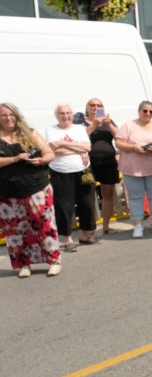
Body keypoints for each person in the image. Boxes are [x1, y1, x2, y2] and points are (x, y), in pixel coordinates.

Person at [0, 103, 61, 277]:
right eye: (3, 115)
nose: (8, 118)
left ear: (17, 116)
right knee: (15, 230)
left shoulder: (30, 133)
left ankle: (54, 260)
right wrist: (15, 158)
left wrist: (41, 161)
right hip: (7, 192)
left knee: (44, 225)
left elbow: (50, 153)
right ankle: (24, 265)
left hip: (37, 188)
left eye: (11, 114)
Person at [45, 104, 97, 252]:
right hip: (61, 172)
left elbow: (87, 147)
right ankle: (67, 238)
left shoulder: (79, 128)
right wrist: (77, 148)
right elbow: (53, 150)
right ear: (57, 115)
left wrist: (62, 144)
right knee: (64, 206)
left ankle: (85, 234)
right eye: (62, 113)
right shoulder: (51, 130)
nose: (65, 116)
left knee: (87, 203)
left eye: (68, 113)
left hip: (82, 171)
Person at [115, 101, 152, 238]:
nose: (148, 114)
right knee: (135, 197)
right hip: (132, 168)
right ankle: (138, 225)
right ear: (139, 111)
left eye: (151, 112)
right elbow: (118, 142)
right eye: (145, 111)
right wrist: (133, 148)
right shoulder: (129, 125)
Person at [77, 98, 120, 236]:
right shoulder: (80, 122)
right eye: (92, 105)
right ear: (87, 108)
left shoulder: (107, 121)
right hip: (89, 163)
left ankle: (106, 226)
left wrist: (108, 125)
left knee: (108, 194)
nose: (95, 107)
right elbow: (78, 137)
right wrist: (94, 124)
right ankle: (89, 228)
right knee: (88, 196)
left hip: (107, 161)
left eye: (99, 105)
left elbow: (120, 136)